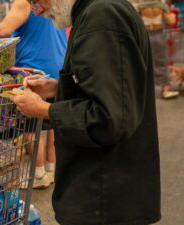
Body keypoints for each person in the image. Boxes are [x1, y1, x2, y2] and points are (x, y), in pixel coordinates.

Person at [9, 0, 160, 224]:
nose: (37, 11)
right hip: (108, 189)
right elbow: (113, 89)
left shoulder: (102, 16)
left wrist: (45, 110)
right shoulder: (98, 11)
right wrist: (59, 88)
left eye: (35, 0)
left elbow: (109, 118)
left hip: (105, 196)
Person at [0, 0, 67, 188]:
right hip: (57, 66)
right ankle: (50, 169)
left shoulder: (23, 2)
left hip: (33, 70)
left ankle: (38, 175)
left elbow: (4, 30)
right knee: (51, 120)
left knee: (31, 126)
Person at [137, 0, 179, 99]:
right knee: (162, 62)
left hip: (145, 35)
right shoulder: (161, 6)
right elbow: (171, 21)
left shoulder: (140, 7)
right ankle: (165, 90)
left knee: (143, 62)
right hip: (159, 34)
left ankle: (143, 92)